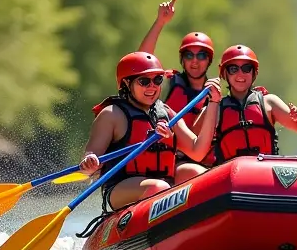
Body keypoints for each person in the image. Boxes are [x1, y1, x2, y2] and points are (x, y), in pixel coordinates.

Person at [80, 52, 222, 210]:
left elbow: (198, 151)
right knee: (158, 187)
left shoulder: (167, 113)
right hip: (122, 188)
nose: (152, 86)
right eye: (144, 81)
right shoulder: (112, 114)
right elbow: (91, 157)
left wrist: (213, 102)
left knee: (199, 173)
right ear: (126, 83)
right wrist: (90, 162)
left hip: (164, 185)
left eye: (157, 80)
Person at [184, 44, 297, 173]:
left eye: (246, 68)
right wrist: (211, 103)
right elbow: (194, 143)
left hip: (266, 172)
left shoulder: (269, 102)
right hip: (232, 176)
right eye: (233, 69)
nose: (240, 74)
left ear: (254, 73)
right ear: (224, 73)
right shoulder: (215, 108)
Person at [136, 0, 216, 183]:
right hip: (172, 161)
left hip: (204, 161)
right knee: (198, 173)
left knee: (206, 173)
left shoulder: (215, 96)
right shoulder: (167, 83)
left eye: (201, 55)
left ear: (209, 60)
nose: (195, 61)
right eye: (189, 55)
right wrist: (160, 22)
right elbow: (140, 64)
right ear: (182, 59)